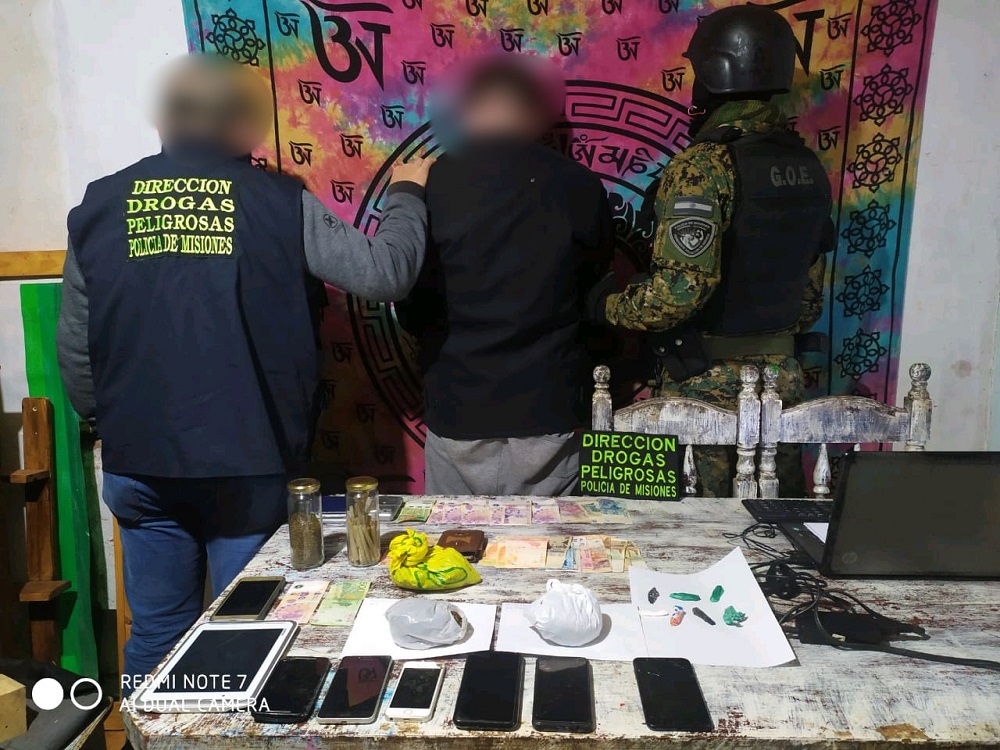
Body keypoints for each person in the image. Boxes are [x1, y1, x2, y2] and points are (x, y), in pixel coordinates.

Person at [57, 55, 434, 685]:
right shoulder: (279, 202)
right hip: (248, 464)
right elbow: (385, 273)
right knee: (247, 627)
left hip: (138, 460)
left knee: (156, 631)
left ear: (166, 120)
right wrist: (407, 193)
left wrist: (111, 424)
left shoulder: (99, 204)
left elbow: (76, 347)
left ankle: (152, 731)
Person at [592, 6, 833, 497]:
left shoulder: (703, 166)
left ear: (713, 73)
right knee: (777, 523)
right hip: (783, 388)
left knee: (693, 529)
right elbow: (809, 298)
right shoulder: (806, 164)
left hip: (705, 389)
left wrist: (607, 306)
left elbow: (678, 295)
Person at [397, 56, 614, 496]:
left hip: (458, 405)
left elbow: (409, 302)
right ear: (534, 114)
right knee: (548, 540)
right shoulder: (581, 185)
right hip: (547, 407)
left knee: (453, 538)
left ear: (468, 110)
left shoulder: (428, 184)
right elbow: (597, 298)